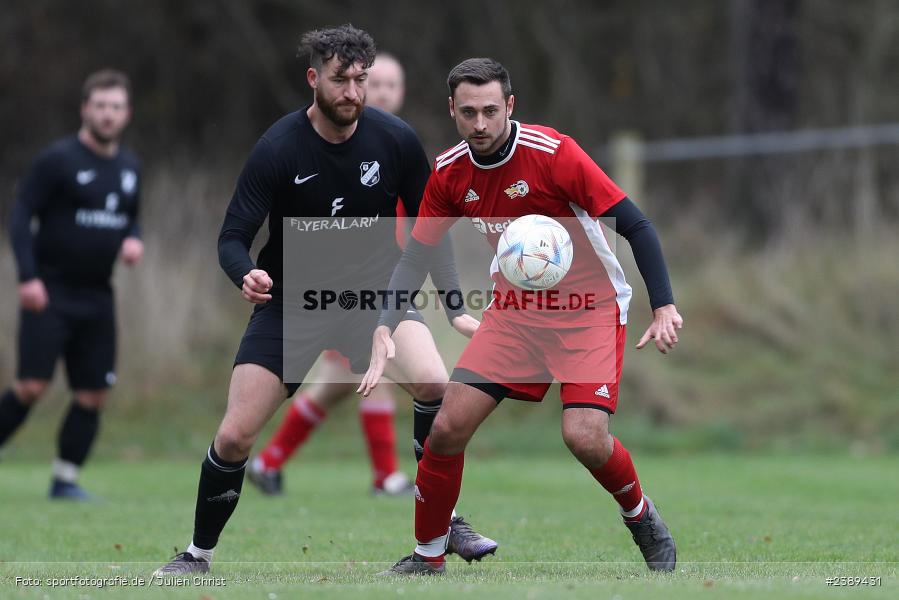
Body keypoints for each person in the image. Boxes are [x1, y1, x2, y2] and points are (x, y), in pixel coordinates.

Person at [153, 26, 496, 576]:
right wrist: (246, 274)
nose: (353, 93)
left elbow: (432, 226)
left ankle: (446, 521)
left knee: (436, 383)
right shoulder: (278, 148)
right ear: (314, 79)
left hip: (373, 301)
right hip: (292, 303)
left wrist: (454, 304)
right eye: (341, 81)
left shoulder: (395, 140)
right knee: (236, 434)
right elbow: (231, 237)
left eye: (361, 81)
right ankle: (197, 555)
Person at [360, 58, 683, 575]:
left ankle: (641, 515)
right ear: (453, 111)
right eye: (468, 113)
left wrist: (663, 303)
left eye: (491, 110)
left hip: (588, 309)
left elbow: (636, 225)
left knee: (584, 437)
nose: (480, 124)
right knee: (446, 428)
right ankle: (428, 558)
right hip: (514, 313)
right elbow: (417, 254)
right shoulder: (449, 173)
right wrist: (383, 323)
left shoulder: (555, 155)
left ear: (510, 106)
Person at [248, 52, 416, 498]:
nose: (379, 92)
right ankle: (386, 476)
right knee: (370, 374)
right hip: (336, 292)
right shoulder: (320, 147)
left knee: (340, 385)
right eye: (372, 82)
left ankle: (268, 462)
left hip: (381, 288)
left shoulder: (398, 148)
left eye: (390, 85)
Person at [2, 69, 143, 500]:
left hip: (98, 296)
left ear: (126, 113)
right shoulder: (57, 160)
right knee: (31, 387)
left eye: (115, 107)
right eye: (100, 106)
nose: (107, 115)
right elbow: (21, 215)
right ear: (85, 109)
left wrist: (134, 238)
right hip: (50, 293)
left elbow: (131, 214)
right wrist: (28, 278)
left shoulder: (129, 167)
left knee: (93, 392)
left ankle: (65, 480)